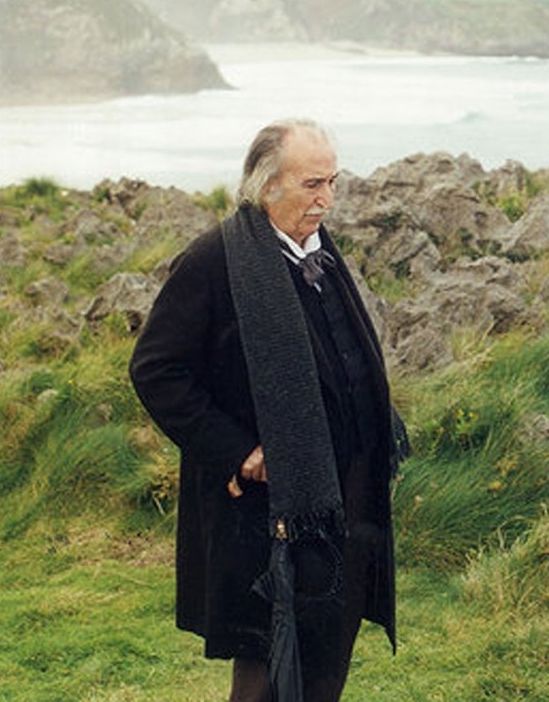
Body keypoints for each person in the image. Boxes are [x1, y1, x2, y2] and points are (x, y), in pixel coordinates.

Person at [129, 119, 407, 702]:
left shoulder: (319, 251)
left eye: (332, 182)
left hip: (343, 498)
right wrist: (237, 451)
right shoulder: (216, 261)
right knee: (267, 669)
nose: (326, 199)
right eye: (312, 184)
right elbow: (157, 369)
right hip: (268, 510)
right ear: (267, 185)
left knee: (328, 655)